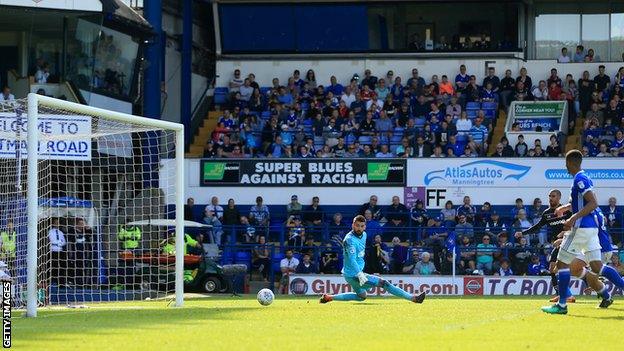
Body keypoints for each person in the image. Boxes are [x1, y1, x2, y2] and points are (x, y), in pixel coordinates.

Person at [542, 150, 613, 314]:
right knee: (596, 266)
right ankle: (606, 294)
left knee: (561, 264)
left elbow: (593, 202)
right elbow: (581, 202)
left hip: (580, 228)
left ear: (570, 163)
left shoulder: (579, 178)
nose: (566, 168)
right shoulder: (585, 177)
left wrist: (573, 218)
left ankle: (561, 305)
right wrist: (565, 207)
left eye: (566, 164)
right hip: (590, 230)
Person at [319, 215, 426, 304]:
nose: (359, 228)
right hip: (354, 274)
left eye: (361, 226)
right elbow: (352, 259)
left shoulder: (364, 235)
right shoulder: (349, 240)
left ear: (365, 227)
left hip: (350, 274)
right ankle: (413, 298)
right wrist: (360, 274)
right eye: (357, 226)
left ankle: (329, 297)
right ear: (352, 225)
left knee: (361, 296)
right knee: (384, 283)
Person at [48, 218, 67, 285]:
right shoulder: (50, 232)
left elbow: (64, 242)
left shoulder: (60, 232)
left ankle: (61, 282)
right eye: (55, 222)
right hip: (53, 250)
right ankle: (52, 281)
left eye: (58, 222)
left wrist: (60, 243)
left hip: (60, 250)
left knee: (61, 267)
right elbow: (50, 240)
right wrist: (56, 243)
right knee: (53, 266)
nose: (57, 224)